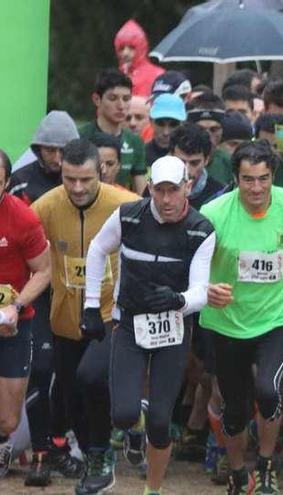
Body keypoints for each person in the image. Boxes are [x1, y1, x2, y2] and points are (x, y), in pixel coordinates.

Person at [199, 140, 283, 495]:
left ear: (273, 176)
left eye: (264, 179)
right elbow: (194, 265)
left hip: (276, 319)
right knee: (235, 407)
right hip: (227, 322)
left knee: (268, 391)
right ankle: (239, 472)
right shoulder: (214, 213)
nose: (256, 188)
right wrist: (206, 289)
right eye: (248, 179)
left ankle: (267, 465)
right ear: (236, 178)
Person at [83, 156, 215, 495]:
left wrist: (179, 300)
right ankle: (133, 424)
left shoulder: (201, 229)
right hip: (129, 324)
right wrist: (91, 305)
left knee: (161, 421)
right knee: (123, 414)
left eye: (174, 190)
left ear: (188, 187)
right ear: (150, 189)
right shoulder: (129, 216)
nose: (167, 200)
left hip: (173, 327)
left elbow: (202, 289)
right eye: (160, 191)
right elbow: (97, 249)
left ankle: (152, 490)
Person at [29, 139, 141, 493]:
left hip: (113, 313)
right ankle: (99, 450)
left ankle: (101, 453)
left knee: (90, 376)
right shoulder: (45, 207)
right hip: (64, 316)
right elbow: (23, 248)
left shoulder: (126, 205)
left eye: (85, 180)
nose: (77, 188)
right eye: (69, 179)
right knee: (70, 389)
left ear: (102, 172)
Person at [0, 149, 52, 478]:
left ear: (6, 183)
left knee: (8, 420)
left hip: (14, 324)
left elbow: (45, 271)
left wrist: (16, 307)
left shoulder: (23, 217)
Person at [79, 69, 147, 194]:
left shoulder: (135, 141)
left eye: (126, 99)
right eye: (113, 98)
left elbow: (141, 193)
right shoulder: (81, 137)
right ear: (96, 99)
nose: (121, 105)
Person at [9, 111, 79, 204]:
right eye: (50, 150)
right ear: (38, 149)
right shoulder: (19, 182)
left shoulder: (83, 179)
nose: (56, 158)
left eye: (63, 150)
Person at [168, 124, 227, 209]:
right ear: (170, 156)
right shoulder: (157, 188)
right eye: (181, 162)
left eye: (194, 163)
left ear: (206, 160)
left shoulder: (220, 195)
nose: (187, 170)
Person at [114, 19, 164, 98]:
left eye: (131, 47)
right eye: (121, 48)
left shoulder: (157, 75)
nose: (125, 53)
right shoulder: (115, 77)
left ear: (141, 48)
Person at [145, 94, 186, 166]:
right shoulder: (139, 155)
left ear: (183, 124)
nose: (166, 132)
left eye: (173, 125)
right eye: (160, 124)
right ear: (151, 121)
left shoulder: (192, 158)